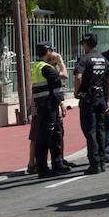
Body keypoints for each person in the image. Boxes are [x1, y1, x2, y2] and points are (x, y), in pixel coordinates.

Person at [31, 42, 71, 178]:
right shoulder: (44, 68)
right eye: (51, 51)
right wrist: (60, 61)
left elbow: (52, 84)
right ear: (47, 51)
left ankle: (57, 163)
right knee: (45, 137)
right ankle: (42, 168)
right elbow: (65, 74)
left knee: (56, 134)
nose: (53, 53)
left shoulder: (40, 66)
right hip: (47, 105)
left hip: (49, 104)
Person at [74, 33, 109, 174]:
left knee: (90, 131)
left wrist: (76, 92)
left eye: (83, 43)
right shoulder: (103, 59)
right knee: (101, 129)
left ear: (86, 44)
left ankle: (94, 163)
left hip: (88, 99)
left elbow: (78, 77)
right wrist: (107, 99)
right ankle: (102, 160)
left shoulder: (84, 59)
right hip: (101, 98)